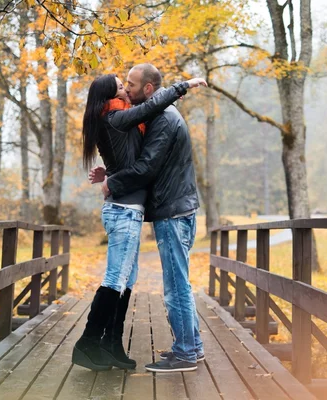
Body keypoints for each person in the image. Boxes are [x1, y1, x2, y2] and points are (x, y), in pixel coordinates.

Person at [72, 72, 207, 372]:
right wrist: (183, 86)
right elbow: (139, 154)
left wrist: (110, 176)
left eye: (128, 85)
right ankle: (89, 343)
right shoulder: (116, 117)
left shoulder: (129, 118)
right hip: (123, 210)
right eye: (121, 87)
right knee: (117, 279)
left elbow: (133, 160)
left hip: (136, 209)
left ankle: (112, 344)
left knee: (127, 281)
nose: (126, 91)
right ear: (109, 96)